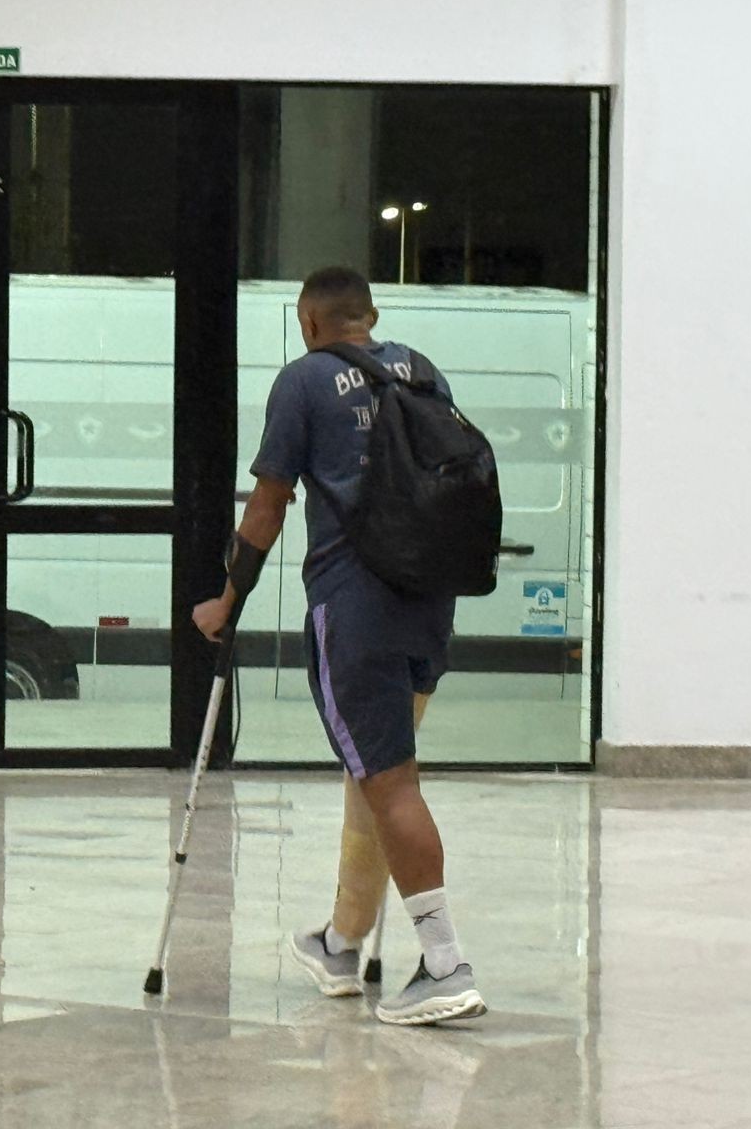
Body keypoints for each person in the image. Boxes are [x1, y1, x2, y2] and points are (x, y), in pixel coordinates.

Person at [192, 265, 486, 1026]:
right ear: (371, 317)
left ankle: (445, 964)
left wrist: (228, 599)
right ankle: (341, 943)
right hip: (429, 598)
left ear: (310, 323)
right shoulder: (420, 370)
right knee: (375, 771)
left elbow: (267, 506)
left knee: (389, 782)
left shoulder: (303, 381)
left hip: (355, 607)